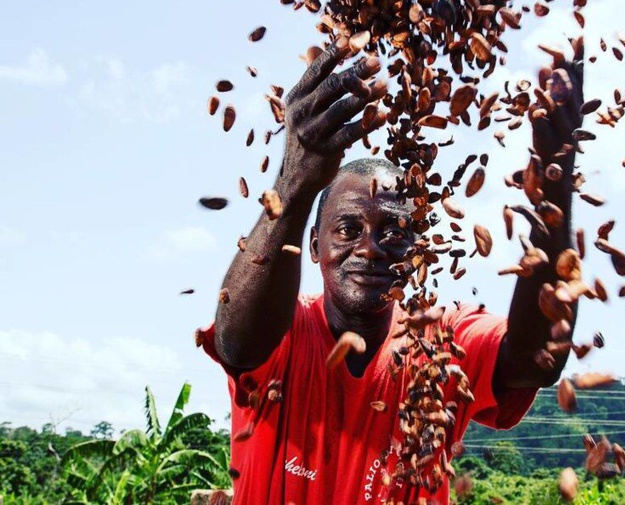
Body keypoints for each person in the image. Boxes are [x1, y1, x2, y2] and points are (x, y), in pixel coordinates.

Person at [199, 35, 586, 504]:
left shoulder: (439, 344)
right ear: (314, 246)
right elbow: (235, 343)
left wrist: (553, 179)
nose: (372, 248)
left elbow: (534, 358)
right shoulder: (285, 328)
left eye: (394, 231)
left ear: (417, 250)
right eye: (347, 228)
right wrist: (295, 181)